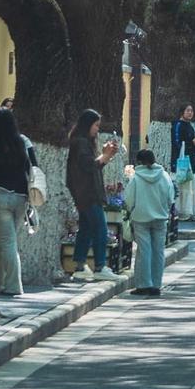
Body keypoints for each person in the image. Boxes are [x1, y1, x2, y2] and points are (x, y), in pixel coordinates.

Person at [0, 106, 35, 297]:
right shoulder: (23, 141)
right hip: (21, 198)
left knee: (6, 241)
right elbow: (35, 167)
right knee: (6, 240)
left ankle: (14, 285)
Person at [66, 108, 118, 280]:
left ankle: (80, 266)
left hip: (85, 192)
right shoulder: (80, 142)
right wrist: (105, 155)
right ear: (87, 125)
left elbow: (95, 167)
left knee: (86, 229)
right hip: (87, 192)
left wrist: (105, 156)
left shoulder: (83, 142)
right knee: (100, 228)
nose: (97, 129)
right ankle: (100, 266)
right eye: (95, 125)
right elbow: (88, 166)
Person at [123, 149, 173, 296]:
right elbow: (170, 197)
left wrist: (130, 211)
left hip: (140, 218)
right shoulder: (164, 176)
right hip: (160, 218)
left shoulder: (136, 178)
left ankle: (144, 284)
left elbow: (129, 200)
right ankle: (156, 285)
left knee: (144, 250)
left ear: (139, 162)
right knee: (158, 251)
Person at [170, 103, 195, 220]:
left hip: (191, 160)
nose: (190, 113)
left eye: (191, 111)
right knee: (181, 186)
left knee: (190, 186)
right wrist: (192, 143)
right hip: (181, 161)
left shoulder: (189, 125)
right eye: (187, 110)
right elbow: (177, 143)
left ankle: (189, 211)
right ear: (182, 112)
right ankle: (179, 211)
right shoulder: (178, 125)